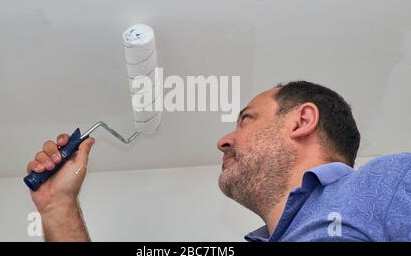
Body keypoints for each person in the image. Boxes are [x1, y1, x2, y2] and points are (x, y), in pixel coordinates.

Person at [26, 80, 411, 241]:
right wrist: (58, 208)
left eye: (246, 119)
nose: (224, 140)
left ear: (302, 121)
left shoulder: (386, 183)